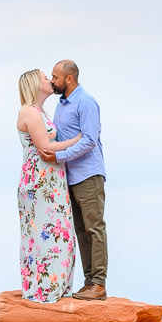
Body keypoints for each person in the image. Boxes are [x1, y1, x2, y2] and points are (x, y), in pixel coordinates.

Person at [15, 68, 79, 303]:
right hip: (40, 181)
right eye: (45, 78)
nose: (50, 81)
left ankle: (56, 285)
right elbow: (45, 146)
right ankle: (44, 287)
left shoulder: (40, 111)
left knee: (57, 230)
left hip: (50, 179)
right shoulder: (31, 113)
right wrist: (79, 140)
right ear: (35, 84)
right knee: (45, 232)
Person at [45, 58, 107, 301]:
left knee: (94, 228)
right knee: (81, 231)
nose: (52, 81)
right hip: (69, 177)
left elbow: (89, 140)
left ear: (69, 78)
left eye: (55, 77)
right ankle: (89, 282)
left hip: (88, 175)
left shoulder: (86, 102)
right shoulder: (62, 104)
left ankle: (99, 283)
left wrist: (59, 156)